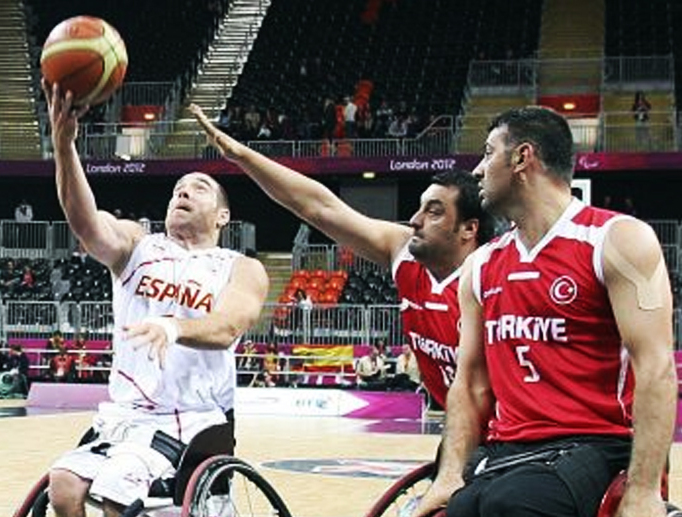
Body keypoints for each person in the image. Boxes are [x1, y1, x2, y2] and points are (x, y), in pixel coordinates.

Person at [413, 106, 679, 517]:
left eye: (487, 153)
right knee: (459, 516)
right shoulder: (482, 266)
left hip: (597, 449)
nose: (477, 169)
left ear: (523, 158)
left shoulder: (615, 239)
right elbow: (471, 384)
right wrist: (449, 472)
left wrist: (643, 492)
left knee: (510, 504)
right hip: (515, 452)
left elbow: (657, 368)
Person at [36, 83, 270, 517]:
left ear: (223, 214)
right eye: (178, 188)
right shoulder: (138, 245)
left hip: (189, 420)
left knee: (118, 489)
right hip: (123, 415)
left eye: (199, 189)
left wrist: (172, 326)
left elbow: (228, 326)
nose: (184, 193)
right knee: (62, 486)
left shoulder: (239, 267)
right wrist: (65, 145)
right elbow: (84, 220)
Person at [188, 103, 491, 408]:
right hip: (462, 425)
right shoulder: (405, 253)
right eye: (420, 207)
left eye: (434, 212)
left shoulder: (493, 281)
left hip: (509, 431)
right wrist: (242, 155)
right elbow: (318, 207)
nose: (415, 219)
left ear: (469, 229)